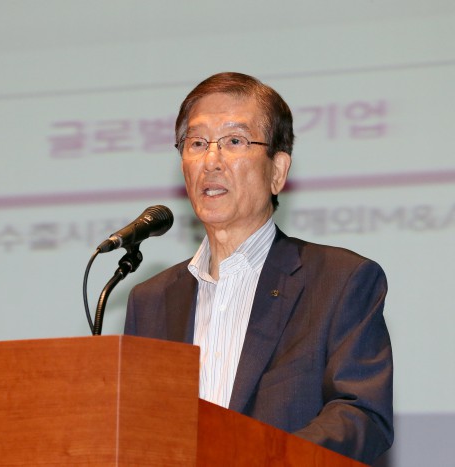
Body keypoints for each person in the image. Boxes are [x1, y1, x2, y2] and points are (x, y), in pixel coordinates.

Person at [124, 72, 393, 464]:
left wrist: (265, 458)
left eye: (234, 141)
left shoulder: (340, 281)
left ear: (277, 172)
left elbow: (361, 415)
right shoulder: (150, 300)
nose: (211, 161)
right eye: (196, 143)